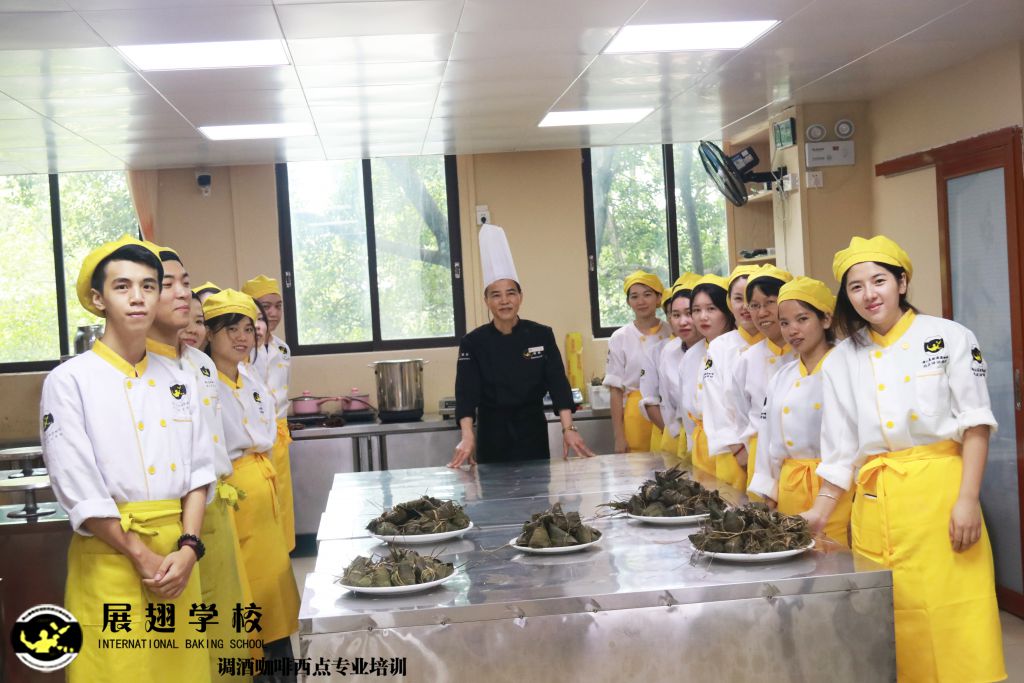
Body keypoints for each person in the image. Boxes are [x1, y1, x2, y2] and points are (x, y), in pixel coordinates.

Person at [802, 236, 1005, 682]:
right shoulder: (841, 360)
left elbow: (975, 425)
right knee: (890, 618)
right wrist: (819, 512)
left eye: (879, 281)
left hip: (942, 498)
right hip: (877, 504)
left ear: (902, 282)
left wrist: (968, 499)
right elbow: (840, 449)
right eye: (856, 286)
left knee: (954, 616)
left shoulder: (949, 336)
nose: (869, 294)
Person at [40, 235, 214, 682]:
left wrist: (189, 548)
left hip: (177, 560)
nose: (138, 297)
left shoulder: (180, 378)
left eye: (148, 286)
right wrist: (139, 553)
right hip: (111, 556)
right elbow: (78, 484)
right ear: (98, 299)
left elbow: (199, 470)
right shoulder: (69, 381)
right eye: (122, 286)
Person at [144, 243, 254, 679]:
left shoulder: (201, 364)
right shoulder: (137, 367)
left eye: (185, 283)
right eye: (165, 283)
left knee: (225, 617)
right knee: (182, 636)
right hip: (168, 517)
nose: (181, 293)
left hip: (214, 505)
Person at [203, 290, 300, 676]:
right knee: (243, 591)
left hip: (262, 492)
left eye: (247, 329)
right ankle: (255, 670)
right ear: (209, 333)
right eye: (231, 329)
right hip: (231, 495)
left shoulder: (250, 377)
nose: (242, 337)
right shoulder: (201, 381)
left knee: (274, 584)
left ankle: (280, 668)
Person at [450, 224, 594, 466]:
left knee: (536, 489)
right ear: (486, 301)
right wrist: (467, 435)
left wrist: (568, 428)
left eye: (511, 293)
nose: (504, 301)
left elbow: (558, 383)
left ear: (520, 297)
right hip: (491, 435)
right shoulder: (473, 342)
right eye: (496, 295)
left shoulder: (541, 335)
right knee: (493, 491)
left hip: (532, 432)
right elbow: (465, 393)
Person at [747, 276, 851, 545]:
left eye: (802, 319)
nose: (792, 330)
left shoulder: (847, 367)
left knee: (836, 561)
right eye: (784, 323)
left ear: (825, 319)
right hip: (790, 487)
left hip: (836, 490)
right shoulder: (782, 376)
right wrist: (769, 490)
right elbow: (767, 436)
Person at [708, 265, 797, 496]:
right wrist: (743, 450)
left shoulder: (807, 353)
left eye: (770, 302)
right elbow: (738, 411)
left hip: (801, 460)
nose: (761, 312)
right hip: (758, 457)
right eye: (754, 305)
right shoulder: (746, 359)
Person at [701, 264, 768, 492]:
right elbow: (715, 403)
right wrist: (738, 449)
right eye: (739, 299)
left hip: (771, 452)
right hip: (732, 453)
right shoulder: (720, 346)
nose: (746, 306)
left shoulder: (779, 344)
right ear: (729, 302)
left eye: (753, 300)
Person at [241, 275, 296, 552]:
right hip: (255, 438)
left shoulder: (282, 348)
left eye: (278, 306)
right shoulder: (243, 349)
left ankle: (284, 553)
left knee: (283, 498)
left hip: (280, 433)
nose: (273, 313)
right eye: (265, 306)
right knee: (263, 503)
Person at [603, 270, 672, 453]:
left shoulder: (671, 331)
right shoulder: (620, 337)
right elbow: (615, 391)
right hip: (634, 415)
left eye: (647, 295)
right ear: (628, 302)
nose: (641, 301)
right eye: (634, 296)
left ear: (659, 298)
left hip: (667, 410)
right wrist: (619, 437)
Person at [639, 273, 701, 461]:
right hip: (677, 437)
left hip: (712, 441)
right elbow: (665, 401)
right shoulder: (668, 351)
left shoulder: (717, 349)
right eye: (675, 315)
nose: (682, 322)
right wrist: (675, 433)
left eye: (689, 313)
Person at [678, 274, 735, 478]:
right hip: (701, 447)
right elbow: (686, 409)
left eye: (711, 309)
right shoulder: (691, 355)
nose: (703, 317)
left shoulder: (739, 349)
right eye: (696, 310)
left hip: (732, 449)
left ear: (727, 310)